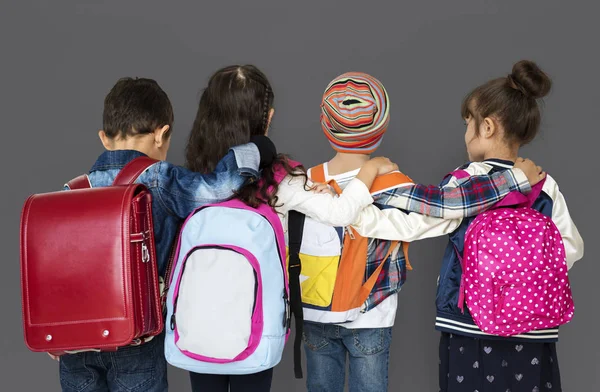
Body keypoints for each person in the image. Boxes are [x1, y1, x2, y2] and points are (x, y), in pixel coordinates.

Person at [183, 65, 543, 392]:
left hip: (314, 313)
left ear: (326, 126)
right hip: (372, 315)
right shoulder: (391, 183)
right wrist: (511, 179)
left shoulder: (302, 181)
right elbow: (448, 211)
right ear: (381, 129)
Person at [56, 77, 277, 392]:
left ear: (104, 138)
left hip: (77, 345)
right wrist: (254, 150)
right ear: (162, 134)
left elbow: (59, 270)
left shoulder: (72, 191)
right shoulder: (158, 179)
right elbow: (219, 187)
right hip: (137, 340)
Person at [433, 60, 584, 392]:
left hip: (469, 323)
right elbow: (571, 248)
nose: (465, 133)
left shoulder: (465, 181)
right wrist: (523, 278)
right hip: (532, 322)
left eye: (467, 122)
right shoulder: (544, 184)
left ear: (486, 127)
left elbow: (431, 221)